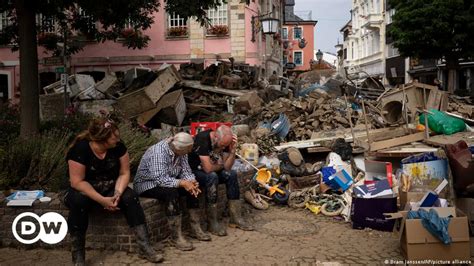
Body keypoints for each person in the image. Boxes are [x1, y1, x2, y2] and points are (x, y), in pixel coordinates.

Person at [64, 118, 162, 265]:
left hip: (110, 186)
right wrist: (102, 200)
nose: (118, 139)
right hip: (85, 189)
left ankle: (145, 245)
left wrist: (117, 194)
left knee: (131, 197)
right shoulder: (80, 150)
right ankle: (78, 255)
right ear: (102, 139)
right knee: (79, 202)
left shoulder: (119, 147)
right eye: (114, 137)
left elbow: (124, 173)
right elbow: (77, 182)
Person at [133, 132, 211, 251]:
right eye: (188, 149)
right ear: (179, 148)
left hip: (169, 181)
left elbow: (186, 171)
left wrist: (191, 182)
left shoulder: (182, 151)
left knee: (193, 189)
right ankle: (176, 237)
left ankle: (195, 228)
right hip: (148, 184)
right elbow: (160, 179)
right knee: (171, 193)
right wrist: (183, 183)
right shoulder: (158, 152)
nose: (190, 151)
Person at [188, 125, 254, 237]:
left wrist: (232, 151)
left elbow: (227, 167)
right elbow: (208, 169)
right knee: (212, 176)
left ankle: (235, 218)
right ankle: (212, 222)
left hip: (212, 169)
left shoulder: (226, 142)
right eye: (222, 145)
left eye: (225, 146)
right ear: (215, 136)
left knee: (231, 174)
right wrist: (221, 164)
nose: (223, 147)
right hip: (194, 170)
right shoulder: (203, 138)